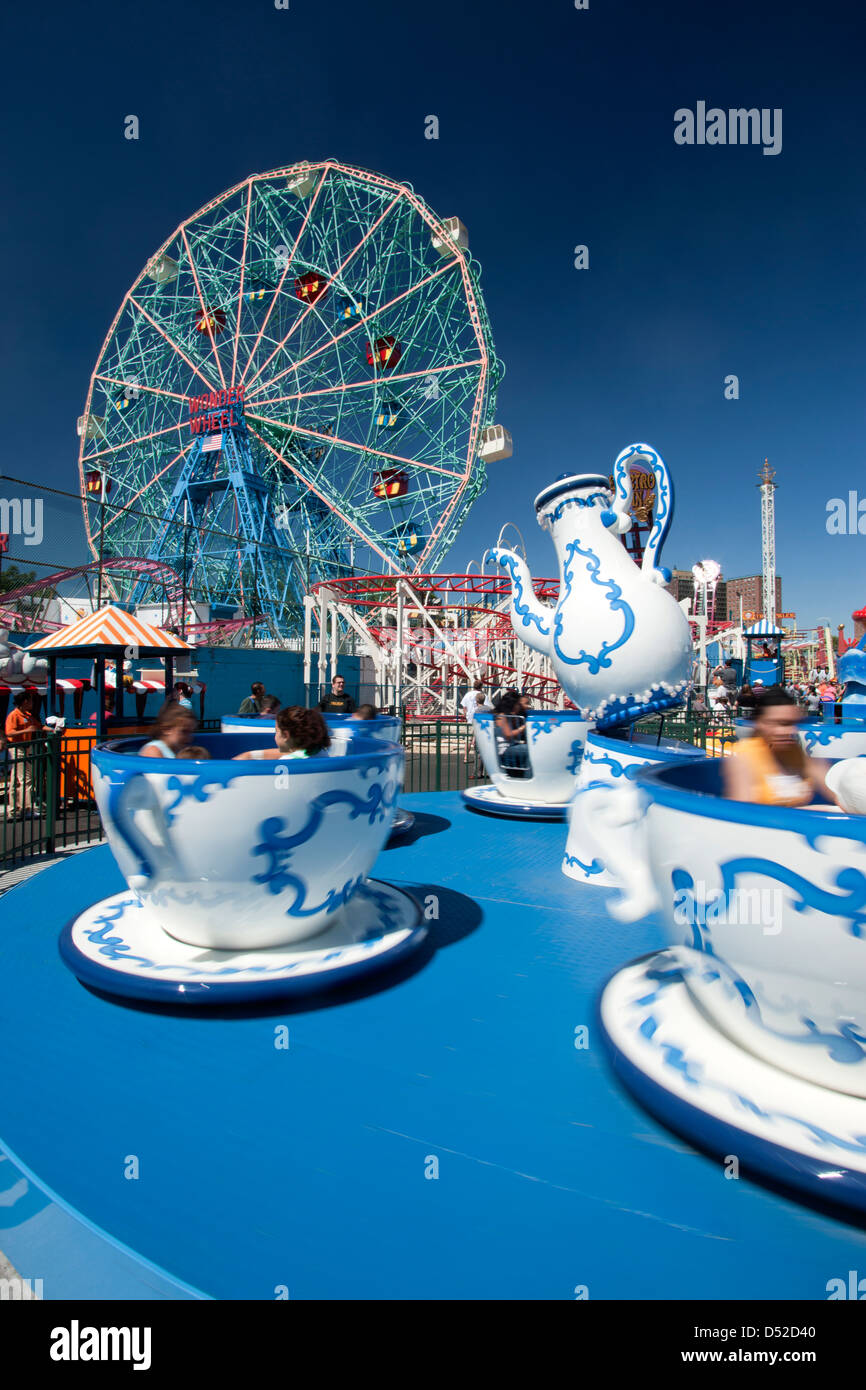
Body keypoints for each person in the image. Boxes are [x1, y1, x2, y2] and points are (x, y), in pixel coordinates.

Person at [723, 687, 840, 807]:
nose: (788, 731)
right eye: (780, 724)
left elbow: (832, 787)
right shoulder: (745, 756)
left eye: (792, 724)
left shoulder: (796, 753)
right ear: (761, 723)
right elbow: (742, 810)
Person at [233, 706, 330, 761]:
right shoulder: (320, 751)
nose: (275, 735)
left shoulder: (286, 762)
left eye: (276, 731)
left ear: (286, 735)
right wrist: (249, 755)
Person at [5, 691, 42, 818]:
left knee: (16, 781)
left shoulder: (27, 715)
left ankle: (14, 810)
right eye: (31, 701)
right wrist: (27, 730)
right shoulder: (14, 715)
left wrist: (54, 729)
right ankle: (27, 809)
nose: (33, 703)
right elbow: (9, 733)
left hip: (25, 748)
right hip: (17, 748)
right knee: (27, 779)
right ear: (25, 701)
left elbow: (39, 726)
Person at [493, 690, 529, 774]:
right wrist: (523, 728)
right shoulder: (501, 716)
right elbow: (508, 735)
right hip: (505, 750)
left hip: (511, 747)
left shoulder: (509, 716)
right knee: (530, 749)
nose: (519, 707)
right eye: (518, 704)